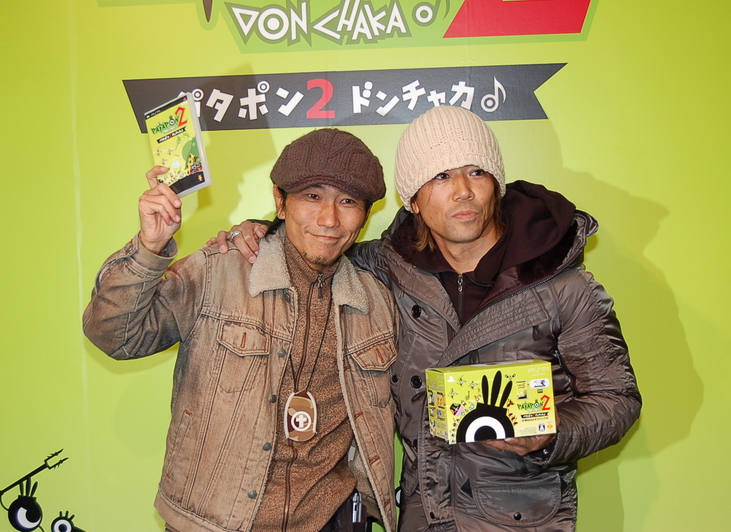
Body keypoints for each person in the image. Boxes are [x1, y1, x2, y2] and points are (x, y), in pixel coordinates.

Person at [210, 106, 642, 531]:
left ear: (496, 186)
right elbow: (319, 246)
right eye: (440, 176)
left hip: (523, 518)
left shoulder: (563, 284)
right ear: (413, 200)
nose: (463, 191)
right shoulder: (385, 268)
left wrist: (553, 434)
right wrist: (263, 231)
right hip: (421, 514)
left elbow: (617, 398)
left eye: (477, 172)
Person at [83, 128, 400, 532]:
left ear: (365, 216)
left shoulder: (375, 302)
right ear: (280, 202)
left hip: (329, 523)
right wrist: (149, 247)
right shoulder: (217, 271)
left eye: (348, 201)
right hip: (213, 523)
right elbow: (115, 336)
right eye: (312, 196)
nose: (329, 218)